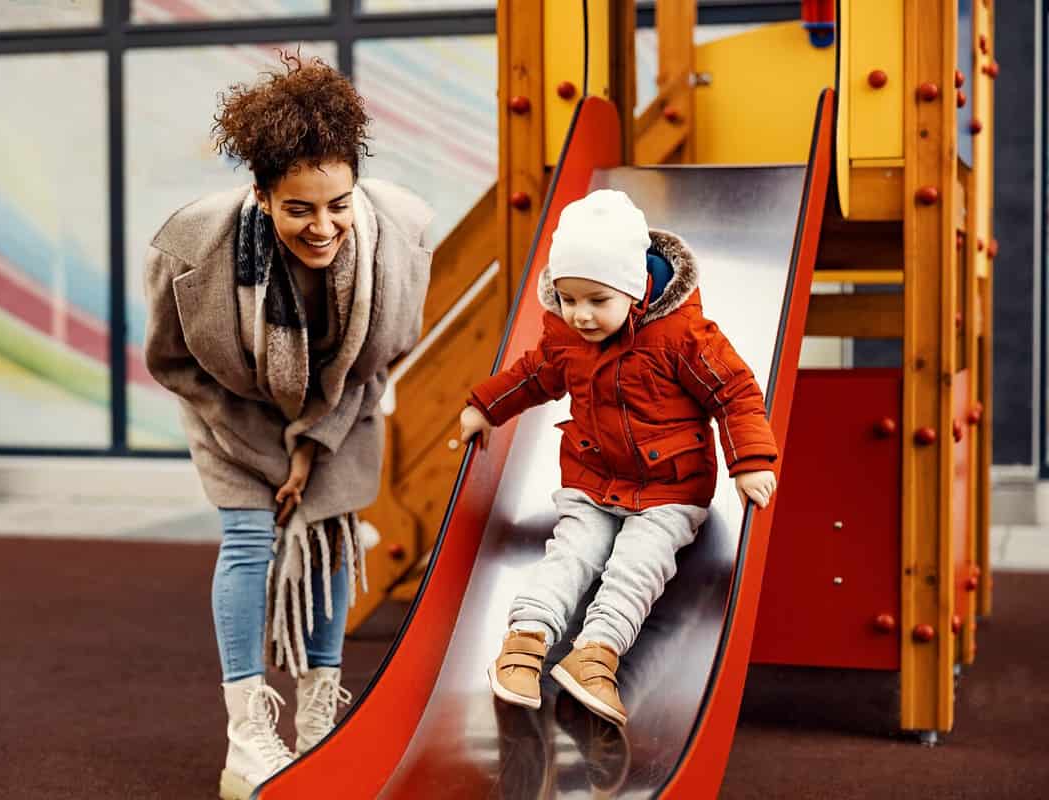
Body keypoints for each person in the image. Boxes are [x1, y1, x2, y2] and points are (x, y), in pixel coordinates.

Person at [143, 53, 433, 799]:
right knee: (248, 540)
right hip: (232, 412)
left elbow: (380, 358)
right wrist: (272, 454)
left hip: (339, 403)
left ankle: (317, 723)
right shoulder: (191, 249)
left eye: (338, 204)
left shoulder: (399, 240)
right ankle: (247, 736)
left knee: (332, 534)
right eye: (300, 208)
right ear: (263, 196)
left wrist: (312, 447)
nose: (324, 225)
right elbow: (175, 363)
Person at [459, 189, 777, 727]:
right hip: (592, 478)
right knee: (572, 554)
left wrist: (750, 460)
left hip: (669, 488)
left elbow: (734, 392)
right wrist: (486, 407)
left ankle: (596, 656)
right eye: (567, 298)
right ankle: (524, 643)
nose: (580, 315)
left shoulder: (681, 335)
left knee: (637, 566)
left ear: (634, 291)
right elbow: (534, 375)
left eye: (596, 300)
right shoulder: (566, 335)